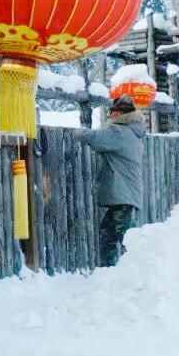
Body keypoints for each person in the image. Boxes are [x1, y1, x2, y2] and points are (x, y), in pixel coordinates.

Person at [75, 94, 146, 267]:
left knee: (127, 239)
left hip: (123, 194)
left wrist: (75, 133)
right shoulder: (133, 132)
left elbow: (96, 138)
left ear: (121, 113)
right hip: (125, 194)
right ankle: (110, 272)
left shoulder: (120, 132)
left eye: (113, 111)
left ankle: (139, 271)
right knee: (108, 234)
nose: (109, 114)